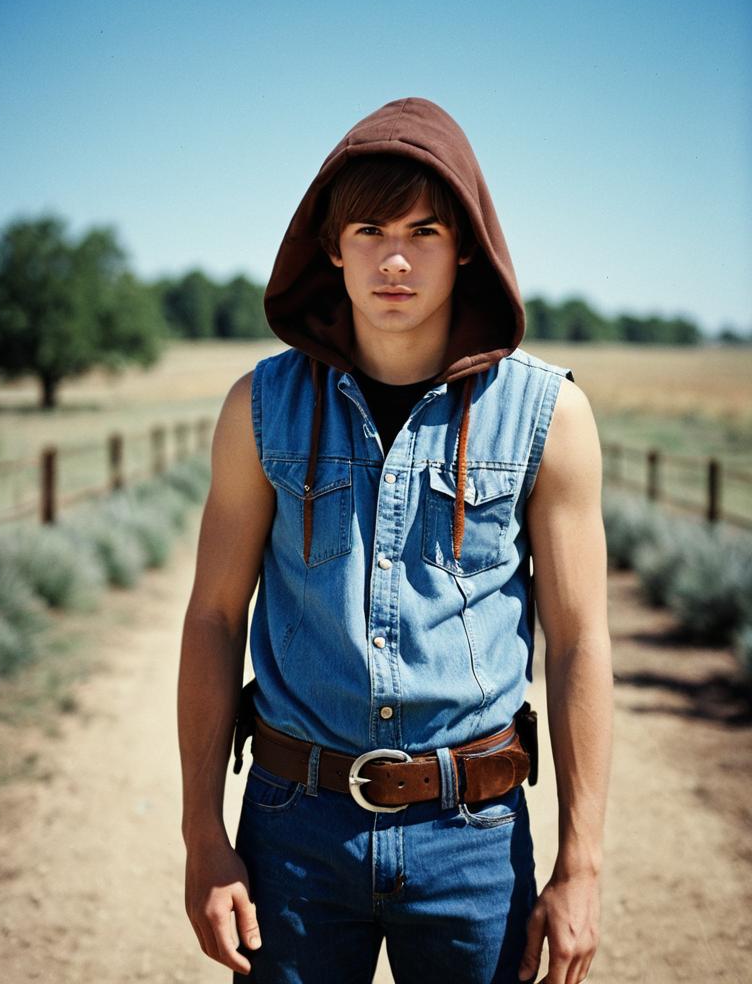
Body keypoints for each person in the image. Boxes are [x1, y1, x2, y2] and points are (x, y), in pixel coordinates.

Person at [177, 97, 613, 984]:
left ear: (468, 248)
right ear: (333, 246)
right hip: (293, 828)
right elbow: (214, 619)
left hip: (473, 840)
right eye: (370, 228)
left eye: (427, 230)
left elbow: (579, 643)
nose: (398, 258)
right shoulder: (258, 409)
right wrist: (203, 837)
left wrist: (581, 865)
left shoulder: (549, 417)